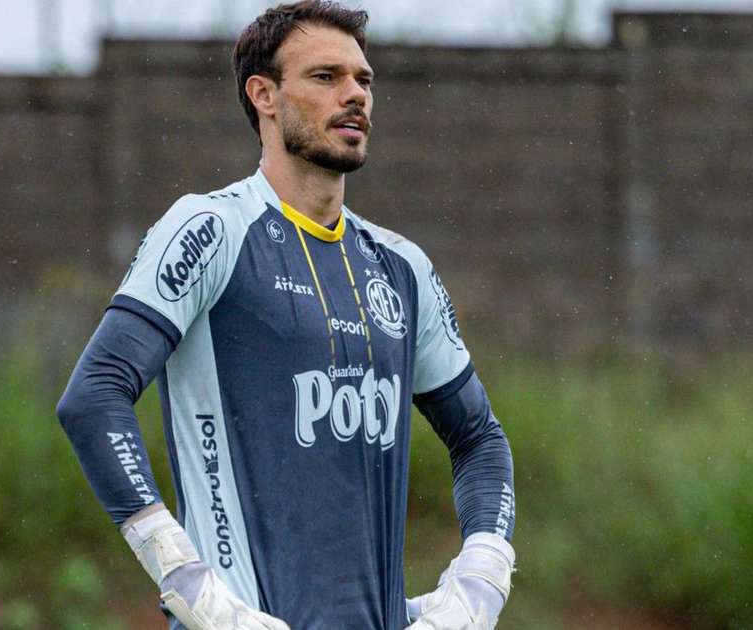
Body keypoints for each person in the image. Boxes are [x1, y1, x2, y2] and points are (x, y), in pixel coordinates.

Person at [55, 2, 516, 628]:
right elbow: (95, 396)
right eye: (326, 77)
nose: (355, 94)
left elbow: (479, 438)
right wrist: (184, 577)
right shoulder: (212, 228)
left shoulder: (402, 267)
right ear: (263, 95)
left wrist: (483, 572)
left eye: (363, 79)